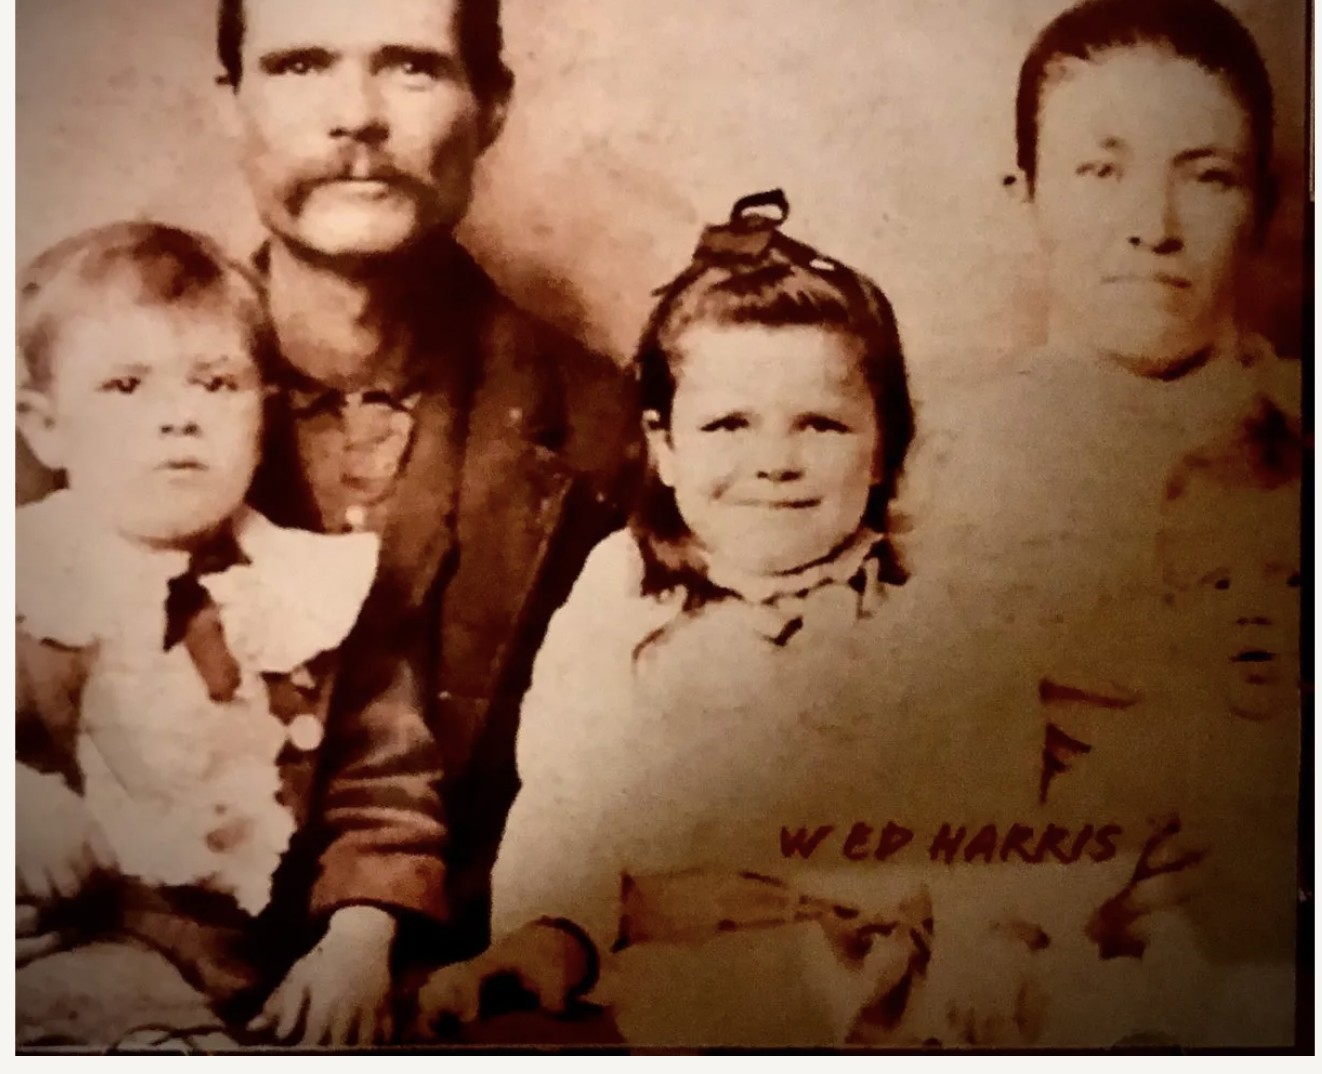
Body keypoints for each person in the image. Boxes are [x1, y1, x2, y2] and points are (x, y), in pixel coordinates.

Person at [16, 0, 639, 1042]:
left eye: (412, 66)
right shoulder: (85, 392)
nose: (356, 116)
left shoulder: (604, 421)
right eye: (300, 64)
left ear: (492, 105)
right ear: (229, 102)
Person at [409, 191, 1072, 1047]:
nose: (774, 462)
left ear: (883, 447)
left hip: (894, 989)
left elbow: (994, 815)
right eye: (729, 424)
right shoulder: (625, 594)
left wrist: (981, 941)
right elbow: (567, 803)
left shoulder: (934, 612)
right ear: (665, 446)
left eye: (820, 425)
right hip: (665, 982)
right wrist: (551, 934)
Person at [898, 0, 1306, 1047]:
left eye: (1205, 176)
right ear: (1023, 193)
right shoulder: (923, 454)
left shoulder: (1303, 436)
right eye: (1100, 170)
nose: (1151, 229)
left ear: (1264, 204)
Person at [15, 223, 381, 1047]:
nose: (179, 418)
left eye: (216, 384)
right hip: (88, 944)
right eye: (125, 386)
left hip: (273, 956)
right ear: (44, 426)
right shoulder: (30, 585)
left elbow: (381, 784)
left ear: (265, 412)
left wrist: (362, 933)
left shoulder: (315, 588)